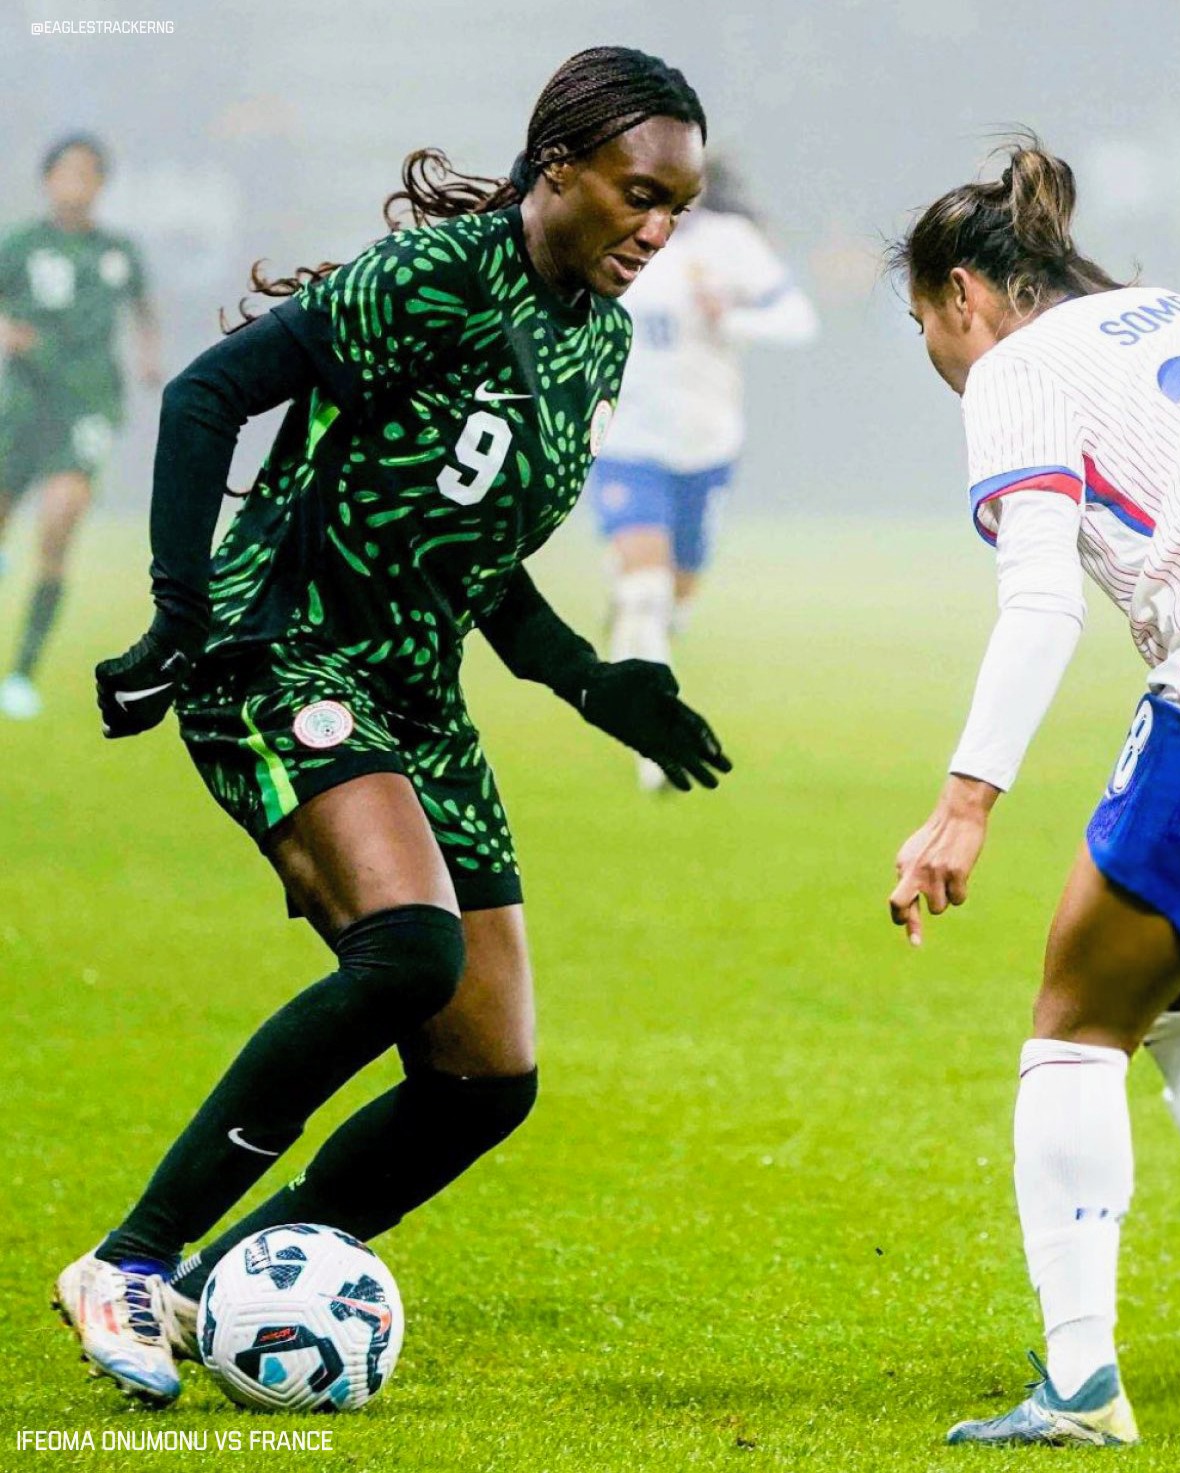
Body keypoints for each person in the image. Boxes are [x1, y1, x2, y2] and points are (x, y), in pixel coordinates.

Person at [56, 47, 729, 1406]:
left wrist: (596, 682)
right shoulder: (437, 280)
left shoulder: (591, 334)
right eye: (637, 193)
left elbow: (471, 555)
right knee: (409, 950)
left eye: (680, 208)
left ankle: (216, 1289)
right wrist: (180, 617)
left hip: (416, 693)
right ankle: (129, 1259)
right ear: (562, 167)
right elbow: (205, 397)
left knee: (487, 1079)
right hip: (279, 649)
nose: (657, 231)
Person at [887, 142, 1180, 1446]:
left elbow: (1044, 597)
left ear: (964, 296)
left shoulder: (1016, 370)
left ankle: (1078, 1387)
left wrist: (965, 799)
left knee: (1075, 1019)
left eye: (925, 328)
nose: (940, 356)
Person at [587, 157, 816, 788]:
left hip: (706, 446)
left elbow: (798, 319)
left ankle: (645, 642)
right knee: (645, 593)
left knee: (675, 599)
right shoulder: (604, 233)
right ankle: (649, 740)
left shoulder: (729, 244)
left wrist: (732, 318)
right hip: (627, 440)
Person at [0, 135, 160, 719]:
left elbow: (144, 306)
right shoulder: (19, 244)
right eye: (66, 171)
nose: (76, 181)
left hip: (87, 404)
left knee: (59, 522)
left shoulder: (117, 252)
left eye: (88, 172)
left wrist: (148, 353)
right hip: (22, 404)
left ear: (101, 183)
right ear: (47, 180)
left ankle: (20, 673)